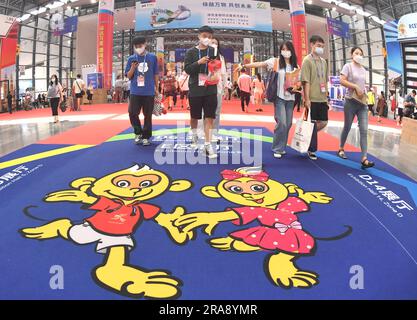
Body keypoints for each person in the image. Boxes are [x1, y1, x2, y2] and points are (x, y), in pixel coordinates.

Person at [240, 41, 299, 158]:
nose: (285, 52)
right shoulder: (275, 61)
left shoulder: (296, 66)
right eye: (283, 49)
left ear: (292, 51)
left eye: (288, 49)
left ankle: (282, 146)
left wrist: (297, 86)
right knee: (282, 122)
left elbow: (299, 81)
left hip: (291, 97)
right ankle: (277, 148)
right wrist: (245, 66)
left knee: (288, 124)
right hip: (279, 97)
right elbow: (261, 64)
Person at [184, 25, 218, 159]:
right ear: (199, 36)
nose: (207, 39)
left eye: (210, 37)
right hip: (195, 89)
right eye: (205, 36)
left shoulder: (213, 51)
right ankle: (194, 135)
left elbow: (216, 67)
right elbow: (187, 70)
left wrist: (215, 74)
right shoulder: (191, 52)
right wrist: (198, 62)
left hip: (210, 88)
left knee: (209, 117)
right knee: (194, 116)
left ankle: (208, 145)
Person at [337, 47, 374, 169]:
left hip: (362, 103)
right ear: (352, 54)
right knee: (347, 126)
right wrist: (354, 86)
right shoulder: (347, 66)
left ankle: (364, 158)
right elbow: (342, 80)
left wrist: (365, 92)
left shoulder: (364, 70)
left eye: (361, 54)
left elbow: (362, 85)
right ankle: (341, 148)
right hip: (350, 101)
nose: (359, 55)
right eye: (356, 53)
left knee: (364, 130)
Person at [125, 36, 159, 146]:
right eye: (136, 47)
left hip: (149, 91)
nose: (138, 48)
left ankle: (146, 136)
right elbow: (129, 76)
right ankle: (138, 132)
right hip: (135, 91)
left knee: (147, 115)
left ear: (145, 44)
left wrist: (157, 88)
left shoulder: (153, 57)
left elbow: (156, 74)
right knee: (132, 113)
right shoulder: (131, 58)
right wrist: (133, 68)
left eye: (140, 46)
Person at [300, 35, 329, 161]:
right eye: (318, 46)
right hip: (311, 98)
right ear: (311, 45)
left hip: (322, 98)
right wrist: (307, 99)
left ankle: (307, 134)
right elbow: (306, 81)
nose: (320, 48)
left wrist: (327, 95)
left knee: (323, 122)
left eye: (322, 46)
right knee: (311, 122)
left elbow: (325, 80)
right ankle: (311, 150)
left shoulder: (323, 62)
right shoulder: (307, 60)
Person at [210, 37, 227, 139]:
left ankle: (215, 133)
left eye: (215, 43)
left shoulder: (221, 57)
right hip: (205, 87)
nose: (213, 44)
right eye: (212, 42)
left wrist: (225, 87)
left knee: (216, 111)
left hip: (218, 87)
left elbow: (224, 73)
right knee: (205, 111)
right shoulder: (203, 55)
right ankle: (204, 133)